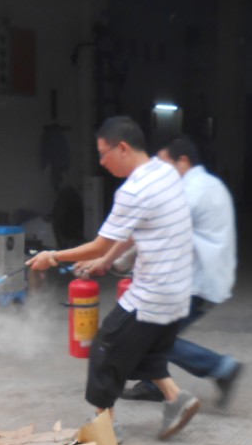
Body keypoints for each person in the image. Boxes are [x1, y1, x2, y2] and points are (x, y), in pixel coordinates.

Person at [27, 117, 200, 440]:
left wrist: (53, 257)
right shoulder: (165, 172)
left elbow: (100, 243)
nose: (102, 163)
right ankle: (176, 399)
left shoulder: (132, 190)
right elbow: (134, 230)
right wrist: (106, 262)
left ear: (122, 148)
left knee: (105, 348)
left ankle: (103, 426)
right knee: (142, 349)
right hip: (180, 290)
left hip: (152, 292)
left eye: (103, 154)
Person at [86, 134, 243, 408]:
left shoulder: (188, 191)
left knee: (151, 338)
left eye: (164, 163)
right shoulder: (213, 184)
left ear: (183, 161)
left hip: (191, 280)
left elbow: (150, 227)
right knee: (155, 336)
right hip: (210, 276)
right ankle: (157, 385)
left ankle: (221, 368)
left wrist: (112, 260)